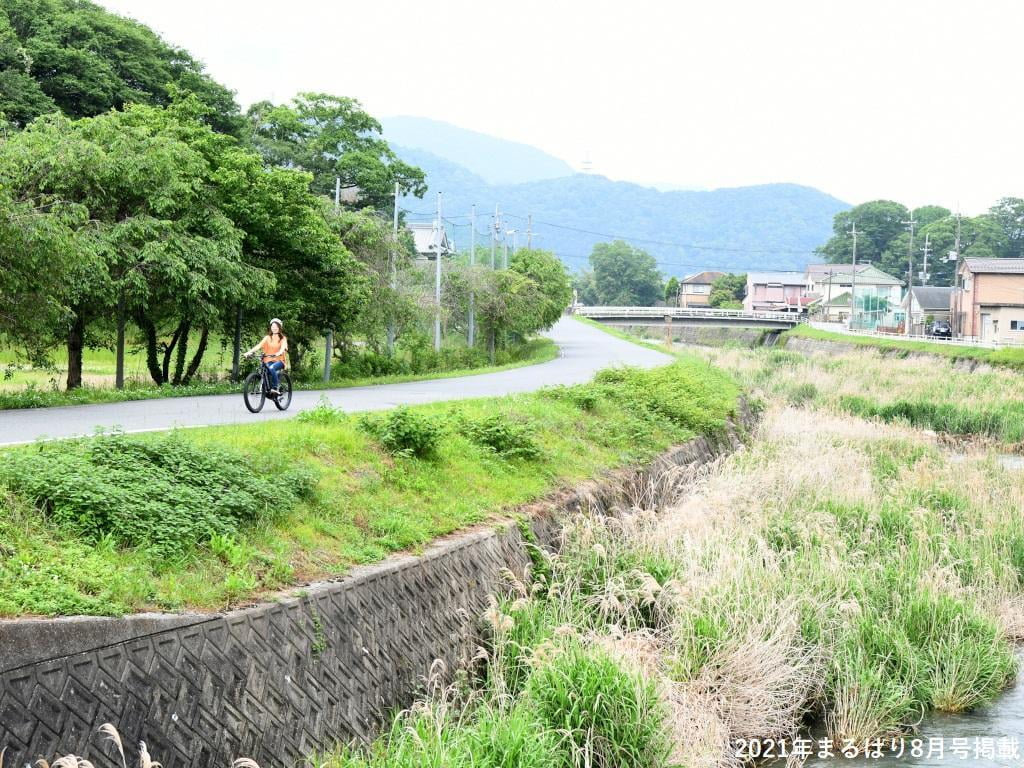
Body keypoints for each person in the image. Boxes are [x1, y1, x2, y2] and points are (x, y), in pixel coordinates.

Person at [244, 318, 289, 395]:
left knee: (272, 368)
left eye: (276, 326)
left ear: (279, 328)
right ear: (270, 327)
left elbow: (283, 348)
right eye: (272, 326)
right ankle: (268, 388)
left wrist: (279, 353)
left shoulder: (283, 338)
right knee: (264, 370)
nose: (274, 328)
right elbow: (258, 346)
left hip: (279, 360)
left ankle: (275, 387)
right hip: (267, 360)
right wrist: (248, 352)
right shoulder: (267, 338)